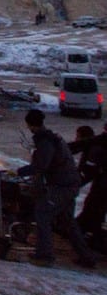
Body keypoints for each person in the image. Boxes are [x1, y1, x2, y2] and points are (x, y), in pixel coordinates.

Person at [17, 109, 96, 267]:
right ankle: (87, 257)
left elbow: (41, 165)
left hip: (63, 186)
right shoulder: (50, 137)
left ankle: (45, 255)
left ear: (30, 125)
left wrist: (20, 172)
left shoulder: (45, 141)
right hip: (69, 183)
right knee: (68, 222)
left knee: (42, 213)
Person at [68, 122, 107, 251]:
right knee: (94, 210)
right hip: (101, 185)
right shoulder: (97, 143)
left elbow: (89, 171)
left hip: (102, 187)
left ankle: (88, 244)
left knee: (93, 209)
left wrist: (75, 183)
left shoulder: (96, 146)